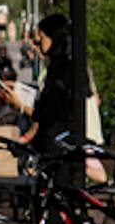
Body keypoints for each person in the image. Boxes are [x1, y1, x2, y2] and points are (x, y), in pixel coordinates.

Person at [17, 12, 77, 155]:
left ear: (53, 38)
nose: (38, 41)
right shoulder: (60, 66)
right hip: (56, 138)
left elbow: (49, 110)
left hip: (56, 140)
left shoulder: (61, 70)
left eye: (42, 36)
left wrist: (20, 104)